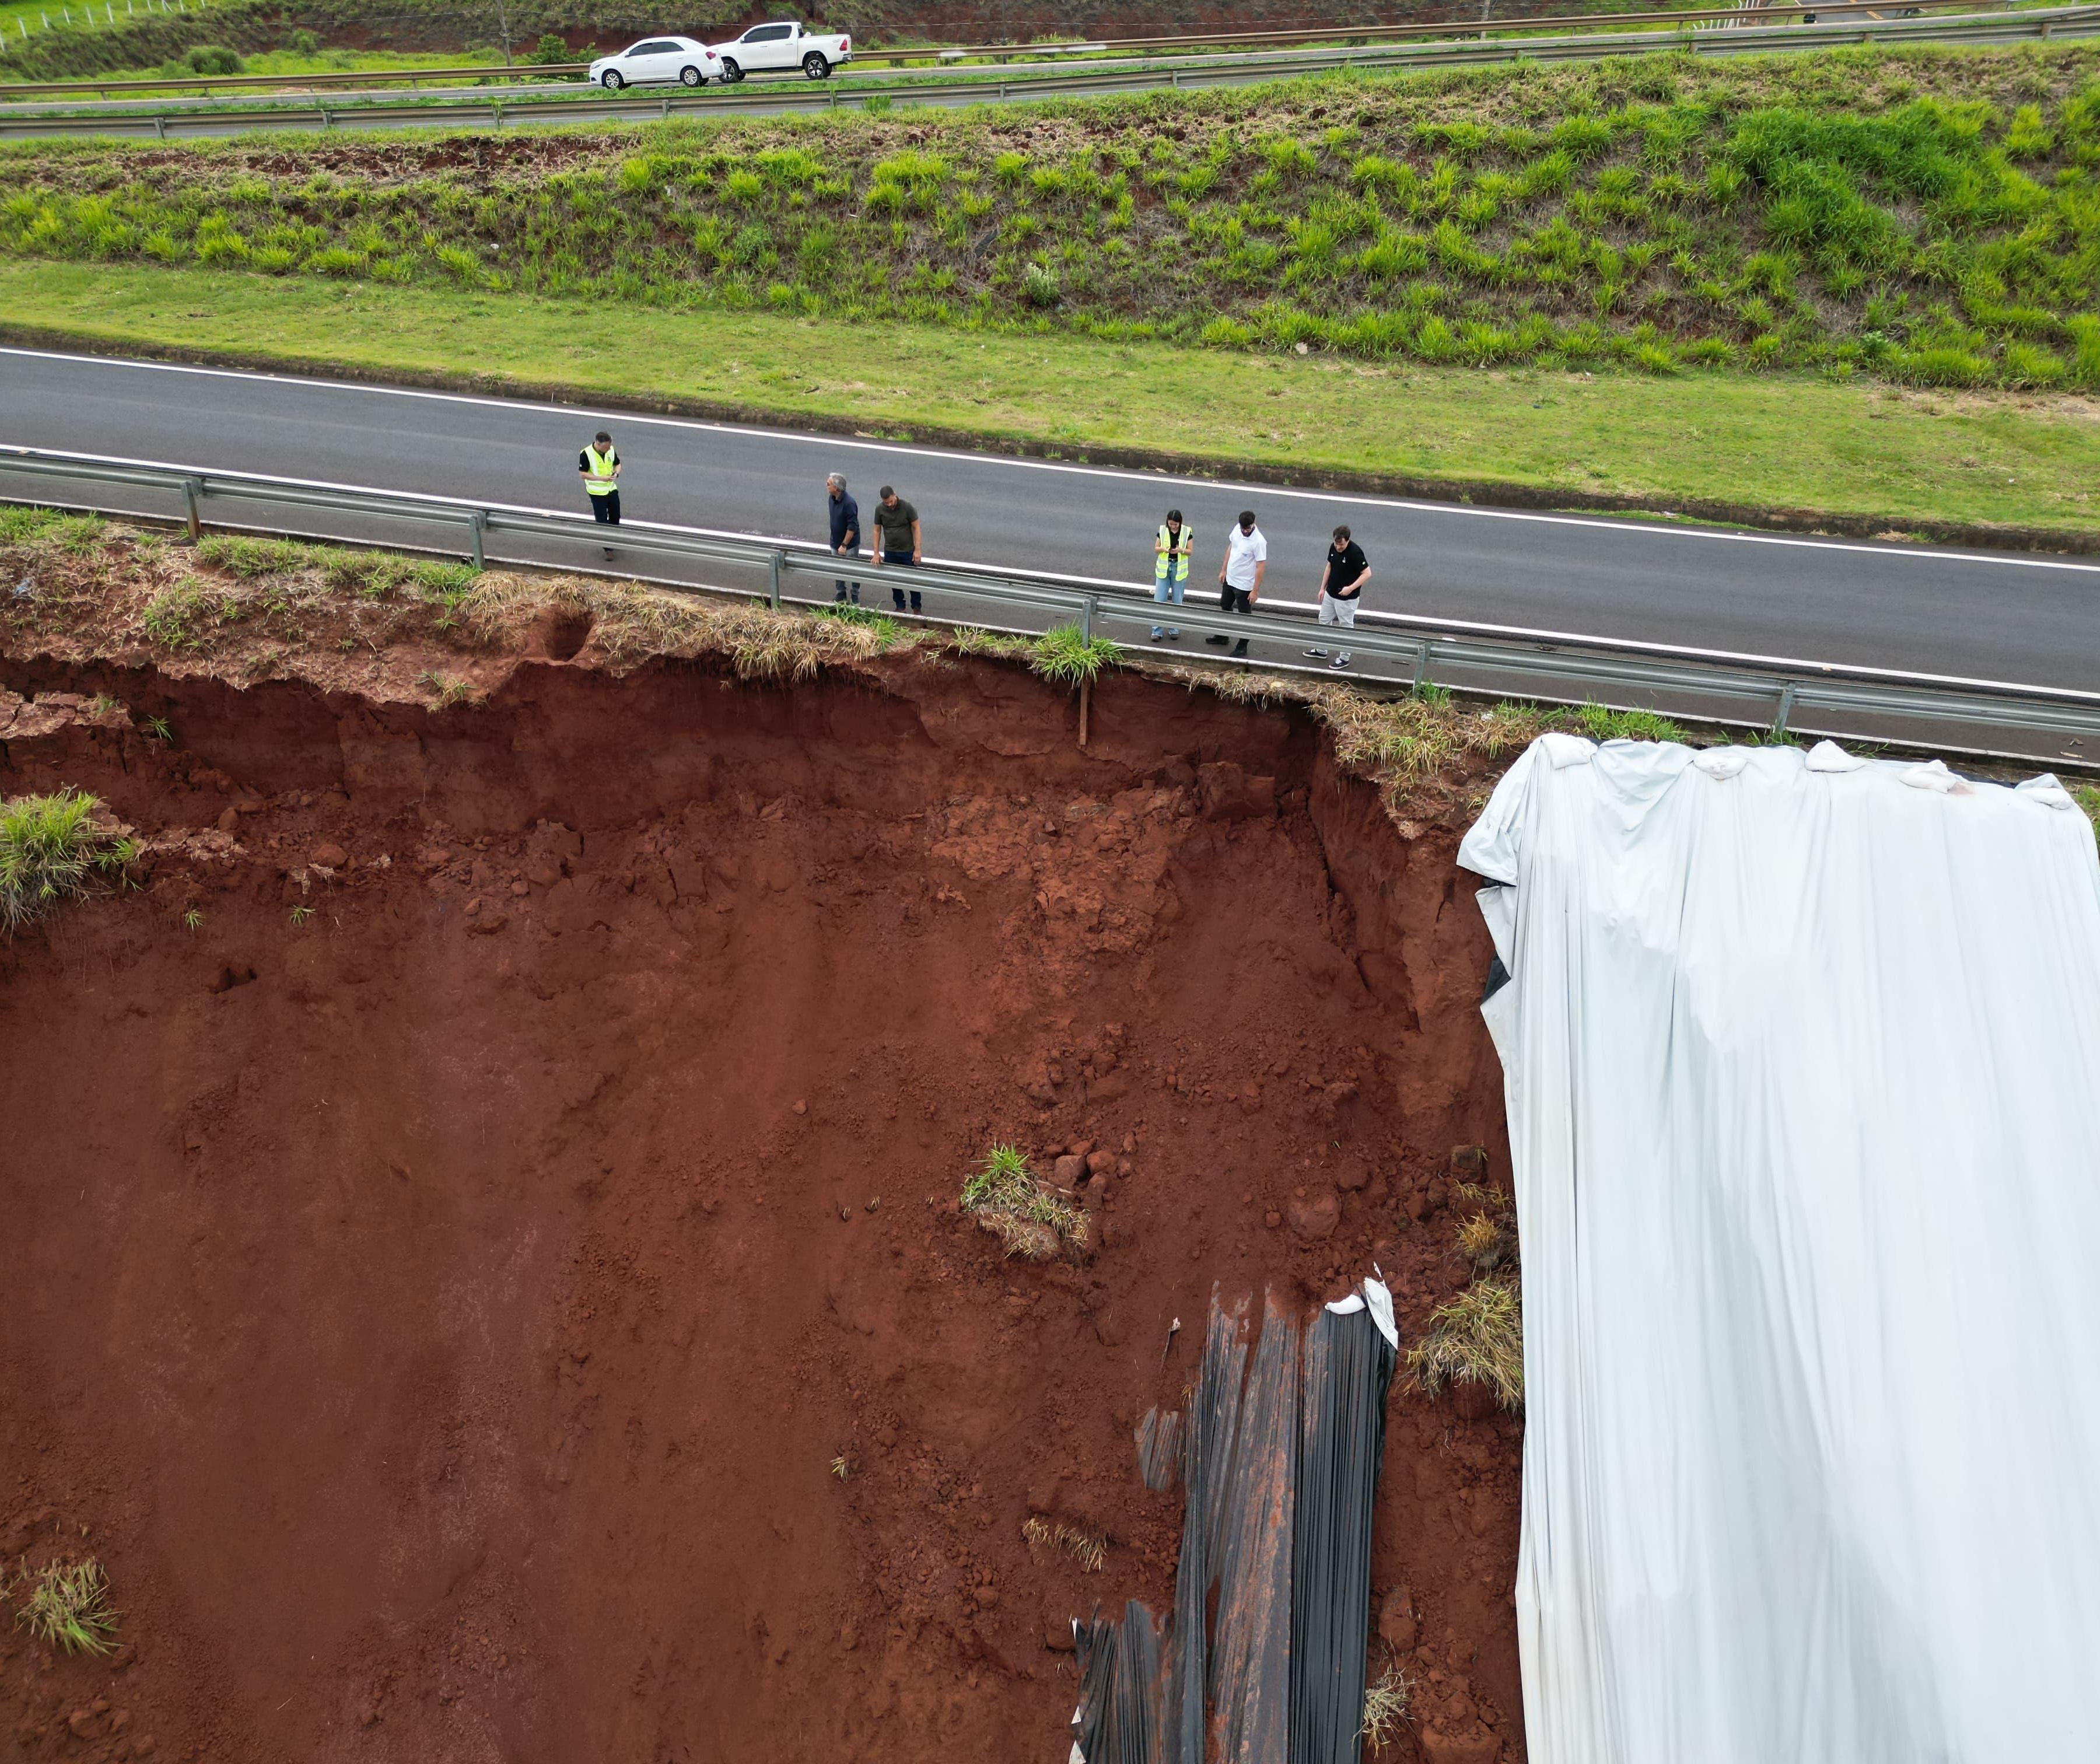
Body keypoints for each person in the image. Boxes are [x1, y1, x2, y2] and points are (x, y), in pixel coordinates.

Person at [1305, 524, 1370, 670]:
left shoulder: (1356, 553)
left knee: (1345, 626)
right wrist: (1322, 588)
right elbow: (1329, 566)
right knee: (1324, 619)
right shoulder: (1333, 547)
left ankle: (1344, 658)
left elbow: (1367, 574)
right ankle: (1322, 650)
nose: (1338, 547)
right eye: (1336, 543)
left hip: (1347, 599)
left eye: (1341, 545)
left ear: (1347, 541)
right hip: (1331, 593)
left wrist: (1350, 588)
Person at [1209, 508, 1266, 657]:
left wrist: (1255, 590)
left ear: (1254, 524)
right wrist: (1224, 570)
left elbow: (1261, 567)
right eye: (1243, 528)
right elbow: (1231, 548)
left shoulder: (1259, 542)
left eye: (1247, 528)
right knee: (1225, 605)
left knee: (1244, 616)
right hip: (1230, 580)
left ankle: (1242, 645)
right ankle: (1223, 636)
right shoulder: (1237, 530)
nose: (1245, 531)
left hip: (1245, 585)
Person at [869, 485, 922, 612]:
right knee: (894, 580)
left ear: (895, 495)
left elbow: (916, 527)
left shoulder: (907, 507)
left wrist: (918, 550)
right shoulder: (880, 509)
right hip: (891, 551)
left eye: (891, 501)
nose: (889, 505)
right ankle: (900, 606)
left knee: (912, 580)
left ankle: (916, 606)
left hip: (907, 551)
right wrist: (876, 553)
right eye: (886, 503)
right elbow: (877, 530)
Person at [579, 429, 620, 561]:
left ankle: (613, 538)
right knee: (602, 520)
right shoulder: (586, 454)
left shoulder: (611, 450)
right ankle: (608, 549)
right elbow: (583, 474)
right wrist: (601, 478)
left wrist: (616, 474)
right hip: (597, 492)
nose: (608, 449)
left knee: (616, 515)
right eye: (606, 447)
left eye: (609, 446)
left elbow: (618, 464)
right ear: (598, 443)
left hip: (611, 489)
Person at [1152, 509, 1192, 642]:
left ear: (1180, 522)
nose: (1173, 526)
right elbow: (1156, 548)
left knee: (1177, 600)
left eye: (1176, 524)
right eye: (1171, 524)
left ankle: (1174, 629)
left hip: (1179, 569)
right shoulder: (1163, 530)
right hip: (1164, 568)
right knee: (1160, 600)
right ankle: (1157, 631)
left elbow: (1190, 551)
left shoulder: (1187, 531)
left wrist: (1181, 550)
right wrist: (1164, 549)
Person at [827, 473, 862, 604]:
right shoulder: (831, 498)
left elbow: (852, 527)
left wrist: (844, 545)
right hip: (835, 541)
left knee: (853, 569)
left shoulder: (849, 503)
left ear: (836, 488)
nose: (826, 486)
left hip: (849, 544)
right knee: (837, 568)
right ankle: (841, 593)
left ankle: (854, 595)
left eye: (829, 484)